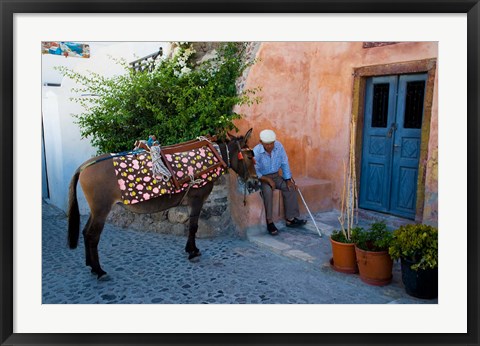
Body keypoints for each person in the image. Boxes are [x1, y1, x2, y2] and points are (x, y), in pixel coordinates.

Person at [253, 129, 307, 235]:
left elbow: (284, 162)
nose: (270, 146)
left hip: (276, 176)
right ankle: (270, 222)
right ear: (261, 142)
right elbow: (255, 170)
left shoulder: (279, 146)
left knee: (290, 188)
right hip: (263, 178)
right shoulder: (256, 151)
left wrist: (287, 179)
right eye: (267, 144)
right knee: (268, 192)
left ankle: (290, 219)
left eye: (272, 143)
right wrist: (267, 179)